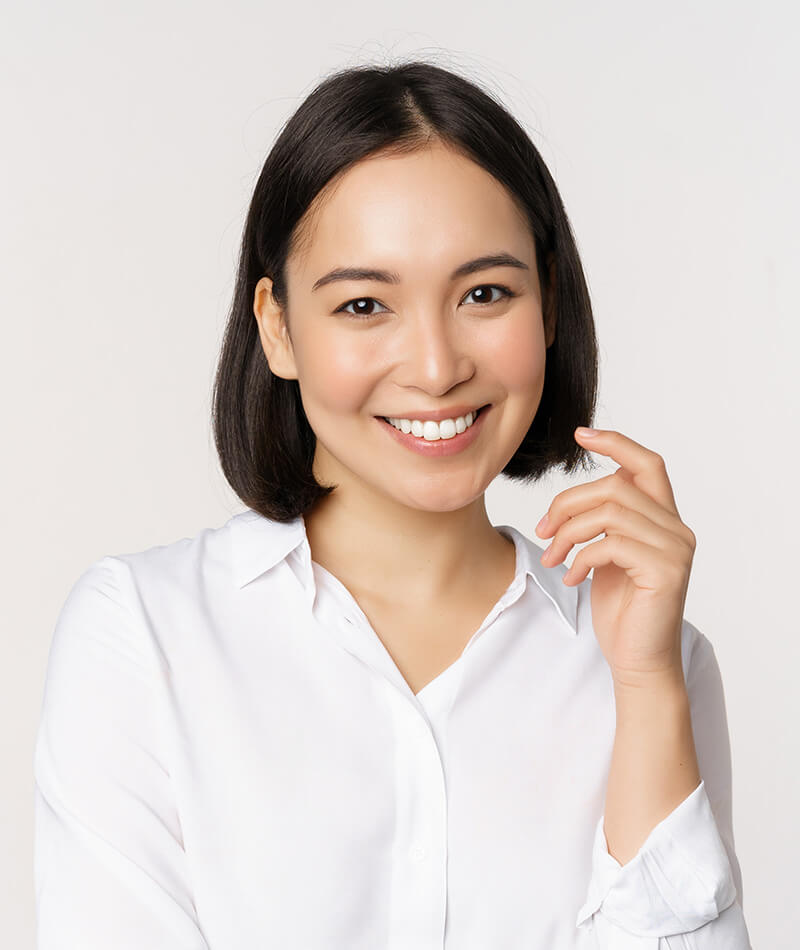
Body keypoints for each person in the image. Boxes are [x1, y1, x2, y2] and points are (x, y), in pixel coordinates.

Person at [33, 61, 753, 948]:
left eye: (485, 294)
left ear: (550, 305)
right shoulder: (143, 636)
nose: (437, 367)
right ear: (278, 327)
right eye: (365, 304)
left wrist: (645, 686)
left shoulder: (657, 660)